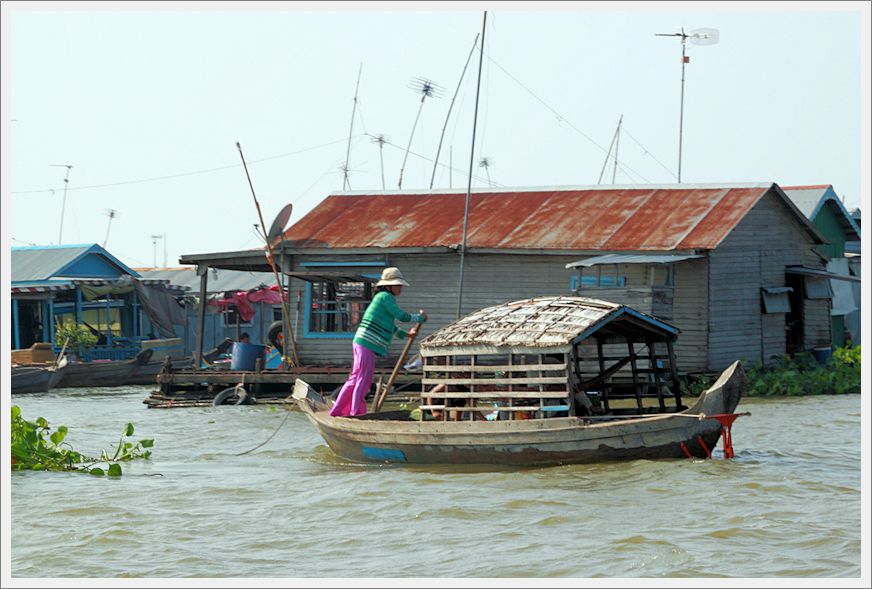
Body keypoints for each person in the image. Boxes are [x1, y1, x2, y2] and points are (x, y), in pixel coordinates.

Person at [329, 267, 427, 417]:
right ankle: (356, 412)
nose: (400, 288)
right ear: (389, 286)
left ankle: (337, 410)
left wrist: (406, 335)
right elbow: (401, 316)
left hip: (362, 342)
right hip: (366, 343)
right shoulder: (385, 297)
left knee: (356, 378)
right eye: (398, 285)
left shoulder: (381, 298)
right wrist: (419, 318)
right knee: (363, 380)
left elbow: (389, 325)